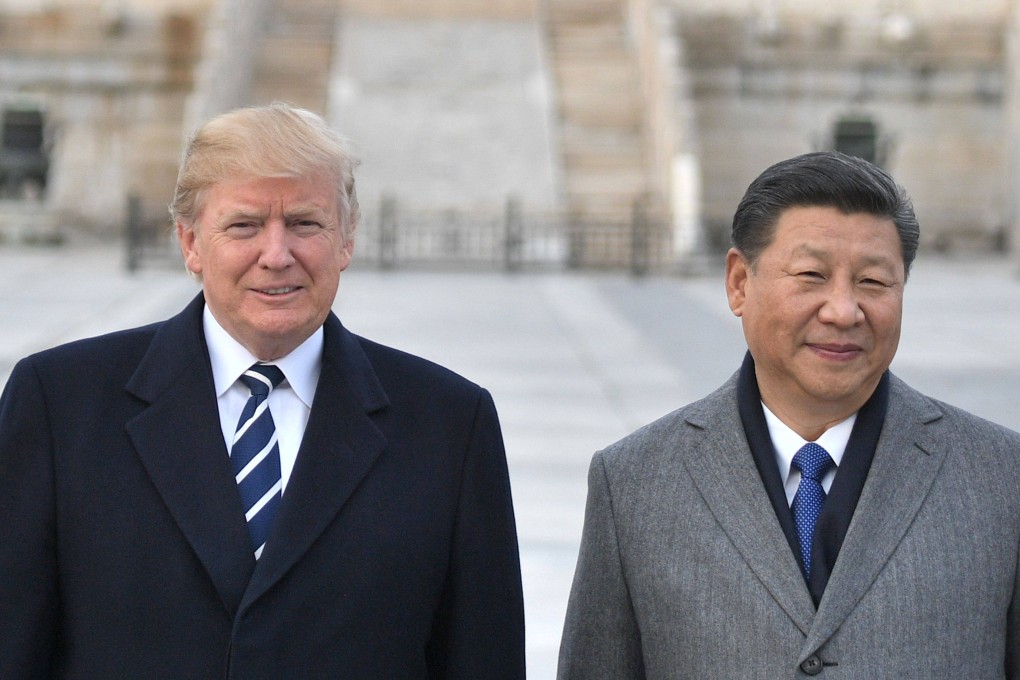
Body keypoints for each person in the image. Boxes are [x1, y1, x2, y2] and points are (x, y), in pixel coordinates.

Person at [0, 102, 525, 679]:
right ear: (191, 243)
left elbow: (482, 657)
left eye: (305, 223)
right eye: (244, 225)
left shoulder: (451, 424)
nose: (277, 256)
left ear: (346, 240)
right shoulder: (58, 405)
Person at [558, 151, 1020, 678]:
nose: (844, 311)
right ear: (738, 282)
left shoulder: (1001, 477)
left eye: (873, 282)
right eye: (811, 274)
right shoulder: (636, 482)